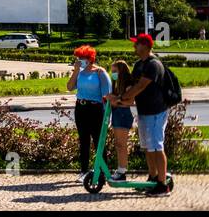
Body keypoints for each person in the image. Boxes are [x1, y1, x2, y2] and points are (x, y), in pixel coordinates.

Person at [109, 33, 169, 196]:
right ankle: (153, 178)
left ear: (146, 46)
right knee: (148, 146)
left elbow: (140, 86)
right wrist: (117, 95)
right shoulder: (138, 65)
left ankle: (162, 185)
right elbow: (131, 84)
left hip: (157, 111)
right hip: (144, 111)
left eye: (137, 44)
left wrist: (121, 98)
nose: (134, 47)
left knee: (157, 146)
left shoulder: (153, 64)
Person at [67, 44, 110, 182]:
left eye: (82, 58)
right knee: (83, 140)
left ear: (89, 58)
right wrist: (76, 70)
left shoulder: (100, 72)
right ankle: (83, 171)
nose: (79, 60)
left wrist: (108, 115)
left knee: (98, 140)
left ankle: (102, 170)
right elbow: (69, 87)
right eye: (78, 58)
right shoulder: (79, 72)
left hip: (96, 109)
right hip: (81, 108)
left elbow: (107, 95)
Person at [106, 60, 135, 181]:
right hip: (117, 114)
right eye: (112, 71)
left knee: (121, 144)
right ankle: (120, 168)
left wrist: (116, 101)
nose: (113, 74)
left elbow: (130, 101)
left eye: (115, 71)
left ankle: (122, 171)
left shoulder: (128, 84)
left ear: (121, 71)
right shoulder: (117, 84)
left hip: (123, 114)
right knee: (118, 144)